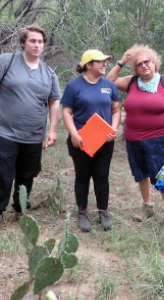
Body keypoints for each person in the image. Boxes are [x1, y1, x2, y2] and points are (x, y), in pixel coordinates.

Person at [0, 25, 61, 236]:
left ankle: (21, 209)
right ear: (23, 43)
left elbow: (54, 102)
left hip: (33, 136)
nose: (37, 45)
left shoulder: (48, 73)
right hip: (4, 132)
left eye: (40, 41)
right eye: (32, 41)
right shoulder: (7, 61)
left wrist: (53, 130)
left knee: (27, 175)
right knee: (2, 174)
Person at [106, 44, 164, 230]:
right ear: (135, 68)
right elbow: (107, 82)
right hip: (133, 138)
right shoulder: (132, 82)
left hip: (159, 139)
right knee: (141, 174)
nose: (144, 66)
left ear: (154, 62)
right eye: (139, 64)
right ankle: (148, 207)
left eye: (147, 61)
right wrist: (122, 62)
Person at [61, 50, 121, 232]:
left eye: (105, 62)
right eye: (100, 62)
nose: (105, 65)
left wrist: (114, 129)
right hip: (82, 140)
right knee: (82, 176)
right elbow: (66, 112)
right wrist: (74, 134)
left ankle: (103, 211)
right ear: (89, 65)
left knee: (102, 176)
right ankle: (82, 212)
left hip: (105, 140)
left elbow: (116, 109)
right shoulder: (74, 86)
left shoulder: (109, 85)